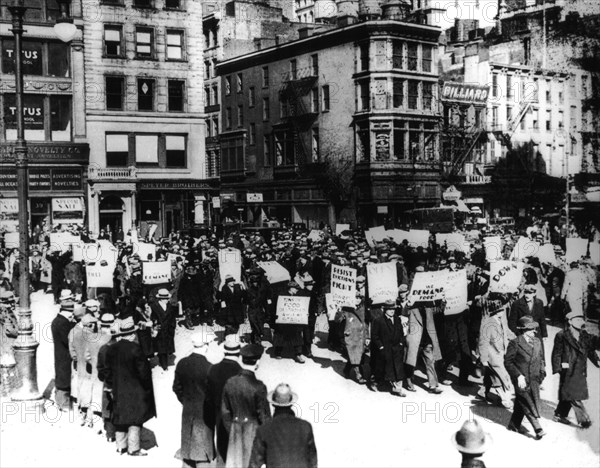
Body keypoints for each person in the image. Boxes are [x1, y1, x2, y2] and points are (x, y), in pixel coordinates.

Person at [104, 317, 157, 456]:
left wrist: (110, 386)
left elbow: (107, 371)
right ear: (132, 334)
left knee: (120, 415)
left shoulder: (111, 349)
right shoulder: (136, 349)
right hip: (135, 390)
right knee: (135, 418)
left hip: (117, 388)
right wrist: (146, 388)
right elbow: (144, 373)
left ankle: (120, 446)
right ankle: (133, 448)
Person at [221, 343, 271, 468]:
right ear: (257, 362)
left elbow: (225, 411)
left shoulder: (230, 382)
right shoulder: (259, 387)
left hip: (235, 428)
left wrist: (232, 427)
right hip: (253, 431)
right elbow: (264, 416)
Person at [173, 333, 216, 468]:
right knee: (203, 449)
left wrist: (185, 401)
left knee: (188, 447)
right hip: (204, 413)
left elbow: (176, 387)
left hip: (187, 410)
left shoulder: (181, 364)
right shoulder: (209, 368)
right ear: (205, 345)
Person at [249, 383, 318, 468]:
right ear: (291, 403)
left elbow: (254, 464)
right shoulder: (306, 427)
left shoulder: (264, 429)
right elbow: (313, 462)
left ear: (273, 404)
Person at [551, 311, 600, 429]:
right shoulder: (561, 335)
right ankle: (584, 421)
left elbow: (590, 349)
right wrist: (558, 367)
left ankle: (559, 414)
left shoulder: (585, 335)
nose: (581, 322)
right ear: (570, 321)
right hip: (567, 368)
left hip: (580, 369)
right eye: (577, 319)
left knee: (568, 393)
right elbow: (556, 353)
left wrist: (597, 361)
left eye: (582, 319)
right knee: (574, 395)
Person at [504, 316, 546, 440]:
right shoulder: (515, 343)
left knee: (521, 401)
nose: (535, 331)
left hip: (534, 377)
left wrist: (542, 372)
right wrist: (518, 376)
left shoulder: (537, 341)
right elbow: (508, 362)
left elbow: (541, 359)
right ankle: (538, 428)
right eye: (531, 329)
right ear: (523, 330)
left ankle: (513, 424)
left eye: (534, 328)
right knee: (527, 402)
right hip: (521, 379)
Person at [206, 335, 242, 463]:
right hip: (236, 418)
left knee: (221, 448)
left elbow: (208, 396)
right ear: (239, 352)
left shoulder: (213, 369)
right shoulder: (240, 372)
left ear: (224, 350)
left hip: (218, 415)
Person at [370, 300, 407, 397]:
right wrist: (381, 347)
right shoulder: (378, 320)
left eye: (393, 309)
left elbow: (401, 333)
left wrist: (401, 343)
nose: (392, 311)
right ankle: (375, 382)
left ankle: (397, 389)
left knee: (398, 369)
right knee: (382, 369)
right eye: (389, 309)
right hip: (384, 349)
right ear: (384, 309)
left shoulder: (397, 319)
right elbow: (374, 336)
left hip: (396, 348)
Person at [51, 299, 76, 411]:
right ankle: (63, 404)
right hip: (64, 355)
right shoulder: (63, 323)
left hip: (60, 354)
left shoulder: (57, 320)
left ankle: (62, 401)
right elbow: (68, 340)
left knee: (62, 375)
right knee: (64, 377)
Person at [150, 288, 177, 371]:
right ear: (160, 299)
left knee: (167, 347)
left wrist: (172, 327)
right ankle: (164, 365)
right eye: (165, 298)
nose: (167, 300)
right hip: (160, 330)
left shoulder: (170, 306)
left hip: (168, 330)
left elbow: (173, 318)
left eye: (167, 298)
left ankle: (163, 359)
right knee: (161, 348)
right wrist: (155, 327)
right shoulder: (154, 307)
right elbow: (152, 318)